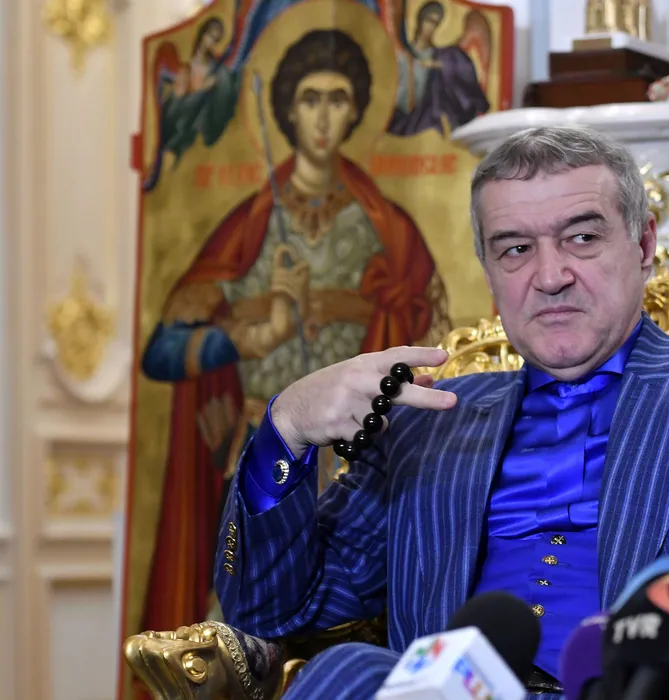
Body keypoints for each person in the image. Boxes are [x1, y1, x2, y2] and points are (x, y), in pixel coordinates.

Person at [213, 125, 669, 699]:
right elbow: (275, 612)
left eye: (582, 237)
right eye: (515, 249)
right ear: (489, 273)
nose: (550, 275)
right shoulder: (427, 419)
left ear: (643, 245)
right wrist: (286, 430)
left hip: (661, 684)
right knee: (346, 673)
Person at [140, 28, 447, 635]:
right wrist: (248, 336)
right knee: (240, 632)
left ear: (357, 110)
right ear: (286, 110)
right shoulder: (251, 223)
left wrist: (352, 309)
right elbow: (162, 348)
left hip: (368, 462)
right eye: (310, 98)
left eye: (338, 98)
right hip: (260, 448)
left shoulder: (388, 226)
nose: (324, 116)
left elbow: (432, 331)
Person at [387, 0, 490, 137]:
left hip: (430, 117)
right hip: (405, 118)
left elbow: (459, 70)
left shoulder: (441, 55)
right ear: (420, 19)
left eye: (435, 23)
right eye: (428, 20)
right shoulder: (402, 55)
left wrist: (438, 66)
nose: (430, 27)